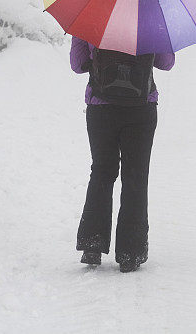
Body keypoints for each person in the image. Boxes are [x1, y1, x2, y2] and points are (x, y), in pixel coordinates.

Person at [70, 36, 175, 272]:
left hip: (100, 106)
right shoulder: (151, 17)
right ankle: (131, 253)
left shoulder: (91, 14)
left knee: (101, 173)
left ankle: (92, 244)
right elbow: (166, 63)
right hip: (141, 107)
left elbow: (77, 64)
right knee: (135, 176)